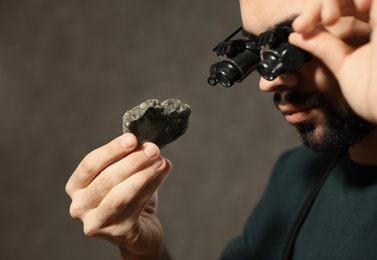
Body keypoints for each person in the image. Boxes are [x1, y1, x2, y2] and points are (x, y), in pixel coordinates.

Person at [65, 0, 377, 259]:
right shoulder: (295, 178)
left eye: (294, 43)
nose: (268, 81)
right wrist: (144, 250)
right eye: (259, 49)